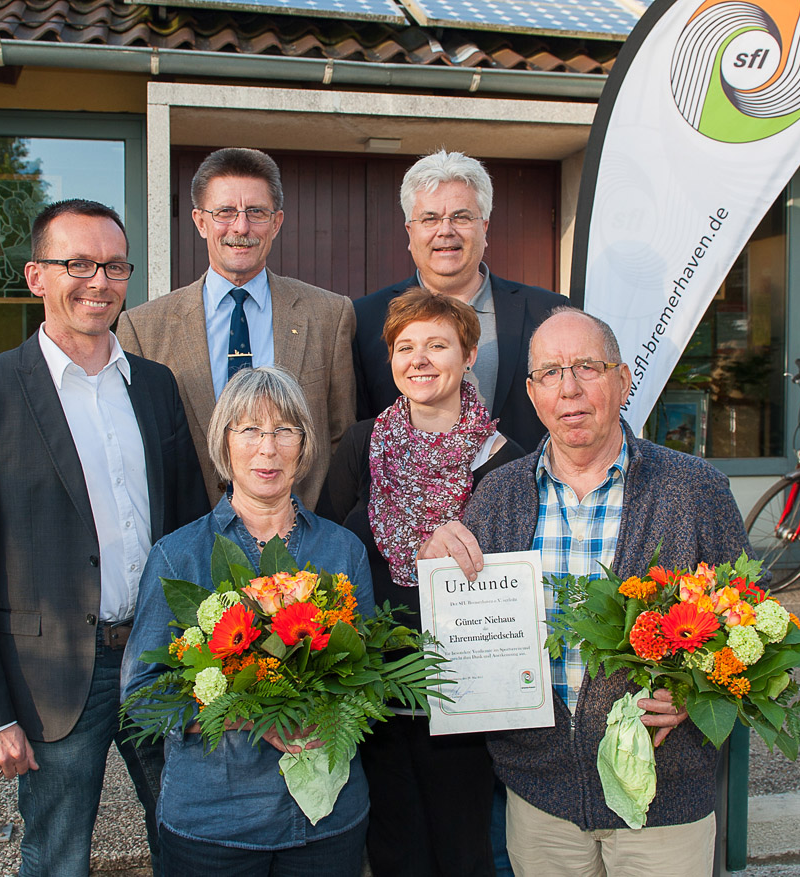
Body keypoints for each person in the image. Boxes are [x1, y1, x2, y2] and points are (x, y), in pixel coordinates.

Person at [419, 308, 757, 877]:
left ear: (623, 381)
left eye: (587, 367)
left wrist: (702, 694)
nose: (569, 388)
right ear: (532, 393)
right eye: (551, 372)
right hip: (542, 803)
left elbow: (755, 624)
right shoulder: (498, 495)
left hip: (664, 803)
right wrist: (439, 572)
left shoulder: (696, 489)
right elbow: (464, 636)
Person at [0, 199, 209, 877]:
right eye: (76, 263)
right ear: (35, 276)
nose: (98, 280)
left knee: (194, 838)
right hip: (51, 675)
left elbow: (190, 526)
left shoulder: (156, 386)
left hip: (158, 659)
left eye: (114, 265)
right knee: (55, 857)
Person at [122, 367, 373, 876]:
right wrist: (248, 714)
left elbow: (372, 676)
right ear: (223, 443)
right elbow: (141, 699)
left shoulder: (341, 549)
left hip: (326, 822)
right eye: (249, 430)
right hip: (215, 824)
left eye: (284, 430)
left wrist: (331, 708)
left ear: (303, 446)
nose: (267, 448)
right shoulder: (179, 557)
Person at [319, 288, 523, 877]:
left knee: (465, 848)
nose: (421, 359)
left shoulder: (505, 459)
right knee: (392, 844)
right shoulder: (361, 445)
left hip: (463, 694)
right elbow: (330, 554)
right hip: (373, 688)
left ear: (469, 354)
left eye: (438, 345)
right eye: (405, 347)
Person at [117, 147, 355, 510]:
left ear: (276, 223)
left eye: (256, 212)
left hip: (300, 543)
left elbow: (340, 436)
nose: (241, 227)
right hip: (189, 544)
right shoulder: (142, 328)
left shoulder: (329, 315)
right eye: (225, 212)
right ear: (200, 221)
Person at [352, 149, 565, 453]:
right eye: (430, 218)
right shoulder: (366, 320)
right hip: (401, 498)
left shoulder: (547, 313)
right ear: (410, 233)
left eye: (461, 217)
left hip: (522, 496)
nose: (446, 230)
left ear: (485, 227)